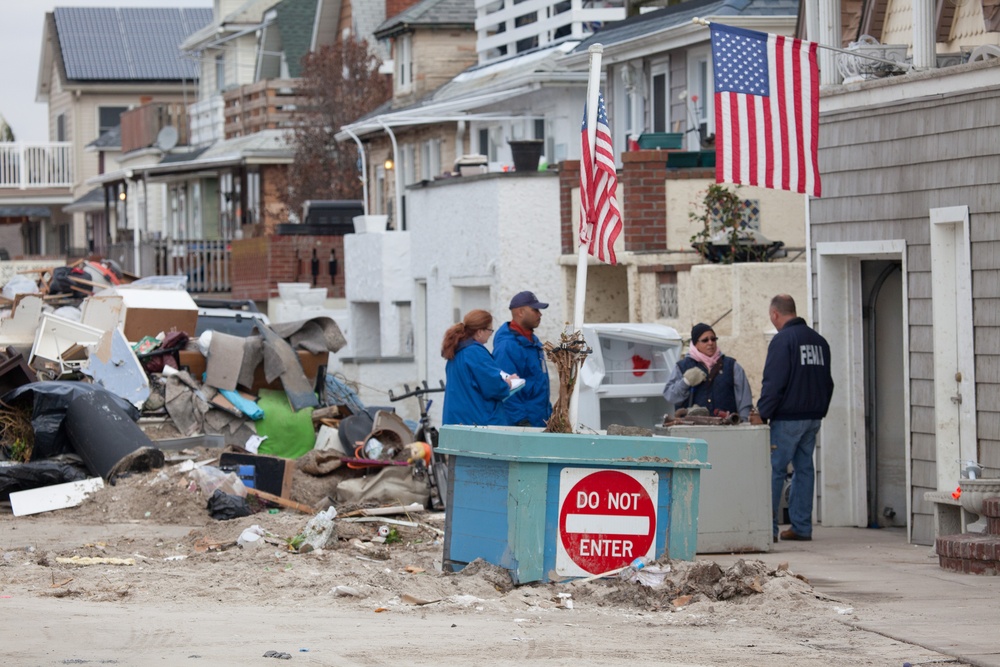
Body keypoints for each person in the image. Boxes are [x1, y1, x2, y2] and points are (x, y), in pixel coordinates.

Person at [758, 294, 834, 543]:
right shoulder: (819, 341)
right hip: (813, 418)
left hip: (788, 417)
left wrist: (763, 413)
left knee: (774, 470)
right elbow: (828, 382)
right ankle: (801, 527)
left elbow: (774, 382)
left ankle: (767, 530)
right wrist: (820, 410)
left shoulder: (783, 341)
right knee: (804, 470)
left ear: (775, 314)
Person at [662, 323, 753, 421]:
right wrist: (685, 382)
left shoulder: (732, 366)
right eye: (705, 340)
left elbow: (744, 400)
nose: (710, 343)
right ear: (695, 343)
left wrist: (744, 423)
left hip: (727, 428)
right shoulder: (682, 366)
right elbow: (670, 396)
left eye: (713, 339)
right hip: (692, 430)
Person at [441, 309, 517, 426]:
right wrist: (508, 383)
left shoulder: (456, 352)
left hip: (457, 421)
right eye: (490, 330)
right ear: (480, 332)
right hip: (478, 423)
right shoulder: (475, 352)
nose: (490, 335)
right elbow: (494, 387)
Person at [492, 291, 552, 427]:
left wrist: (549, 415)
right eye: (535, 310)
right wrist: (521, 421)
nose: (540, 314)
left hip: (539, 420)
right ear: (520, 312)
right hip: (523, 424)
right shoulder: (507, 346)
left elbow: (538, 384)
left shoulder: (532, 341)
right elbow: (507, 389)